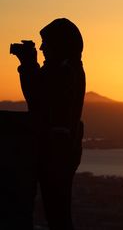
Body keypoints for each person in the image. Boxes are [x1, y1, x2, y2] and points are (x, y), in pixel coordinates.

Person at [12, 18, 85, 230]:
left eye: (46, 43)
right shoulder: (65, 68)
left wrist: (27, 64)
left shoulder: (64, 71)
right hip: (60, 151)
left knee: (57, 214)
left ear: (60, 45)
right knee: (57, 213)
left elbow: (36, 97)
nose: (42, 47)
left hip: (57, 153)